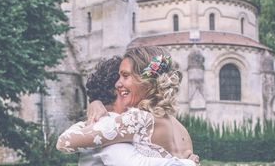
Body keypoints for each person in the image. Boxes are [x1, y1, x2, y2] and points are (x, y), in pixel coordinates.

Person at [57, 46, 198, 166]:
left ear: (146, 81)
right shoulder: (179, 126)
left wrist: (91, 114)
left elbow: (64, 142)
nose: (118, 83)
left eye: (125, 76)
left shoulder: (139, 119)